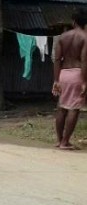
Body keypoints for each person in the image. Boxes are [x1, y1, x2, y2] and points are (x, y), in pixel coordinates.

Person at [51, 9, 87, 150]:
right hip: (78, 74)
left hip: (63, 74)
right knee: (74, 109)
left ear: (73, 22)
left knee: (61, 107)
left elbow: (57, 60)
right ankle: (65, 142)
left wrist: (56, 80)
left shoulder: (62, 37)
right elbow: (84, 61)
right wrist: (84, 81)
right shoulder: (85, 37)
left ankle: (60, 140)